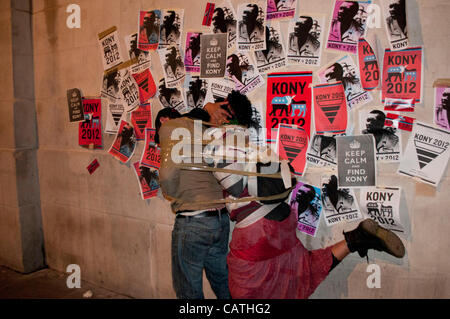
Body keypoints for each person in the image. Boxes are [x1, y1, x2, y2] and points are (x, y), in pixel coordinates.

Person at [194, 91, 406, 299]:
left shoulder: (218, 139)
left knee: (245, 289)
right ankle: (356, 239)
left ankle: (357, 239)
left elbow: (233, 185)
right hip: (281, 221)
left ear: (224, 113)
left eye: (216, 107)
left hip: (255, 231)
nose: (208, 113)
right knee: (302, 273)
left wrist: (207, 112)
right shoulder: (252, 145)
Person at [155, 100, 232, 299]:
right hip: (220, 218)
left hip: (194, 219)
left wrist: (172, 193)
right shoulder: (206, 128)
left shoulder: (171, 128)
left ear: (164, 121)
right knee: (223, 283)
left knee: (188, 290)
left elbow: (167, 176)